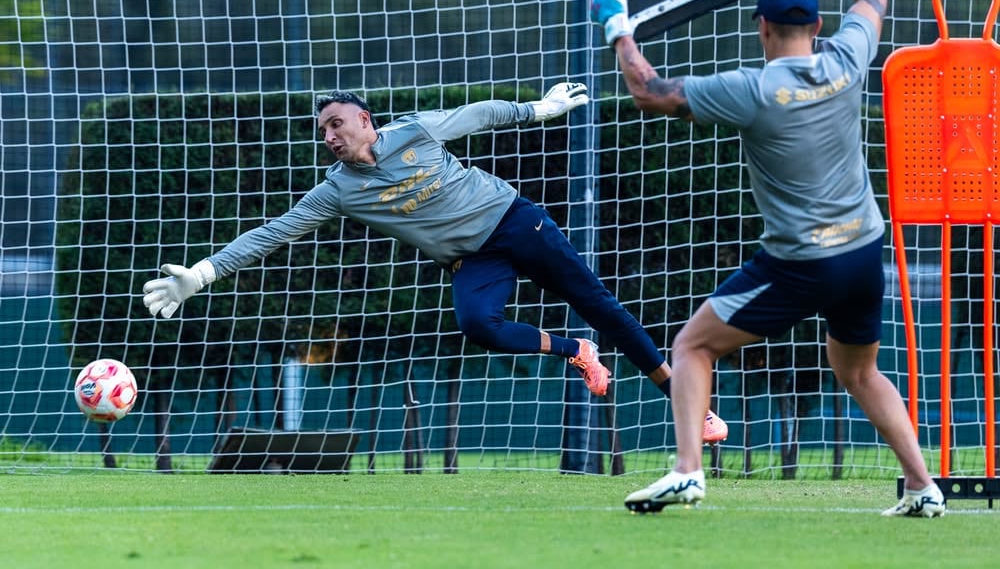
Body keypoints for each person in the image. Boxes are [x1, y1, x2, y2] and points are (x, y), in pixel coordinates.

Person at [590, 0, 944, 516]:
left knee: (692, 347)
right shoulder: (848, 56)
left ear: (761, 27)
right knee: (859, 371)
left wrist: (618, 25)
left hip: (802, 262)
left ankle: (687, 471)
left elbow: (647, 90)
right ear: (815, 23)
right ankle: (923, 486)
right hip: (863, 249)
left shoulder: (754, 91)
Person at [142, 84, 727, 443]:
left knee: (600, 304)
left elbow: (477, 114)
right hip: (474, 259)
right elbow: (275, 233)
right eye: (322, 130)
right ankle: (575, 350)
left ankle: (687, 406)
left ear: (366, 122)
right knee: (477, 324)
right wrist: (202, 273)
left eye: (336, 123)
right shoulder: (337, 190)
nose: (329, 135)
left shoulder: (415, 132)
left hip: (517, 222)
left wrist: (538, 109)